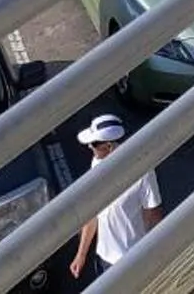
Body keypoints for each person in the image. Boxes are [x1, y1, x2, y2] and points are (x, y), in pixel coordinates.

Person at [70, 115, 164, 280]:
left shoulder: (142, 171)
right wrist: (81, 254)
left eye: (94, 144)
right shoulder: (97, 164)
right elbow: (93, 214)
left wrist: (155, 253)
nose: (90, 147)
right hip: (103, 258)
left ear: (109, 147)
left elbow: (153, 214)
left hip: (130, 259)